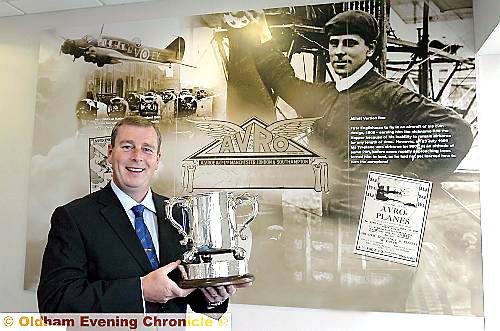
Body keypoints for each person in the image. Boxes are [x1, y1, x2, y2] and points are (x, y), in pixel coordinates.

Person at [247, 10, 473, 218]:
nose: (339, 52)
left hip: (376, 222)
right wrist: (261, 31)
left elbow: (457, 130)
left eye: (350, 43)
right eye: (334, 44)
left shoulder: (390, 95)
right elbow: (284, 81)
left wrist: (407, 185)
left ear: (370, 49)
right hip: (333, 220)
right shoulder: (323, 97)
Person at [38, 116, 249, 313]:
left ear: (157, 159)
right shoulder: (73, 218)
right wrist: (140, 290)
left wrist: (214, 297)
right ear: (110, 153)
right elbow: (54, 301)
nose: (137, 156)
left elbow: (188, 290)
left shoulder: (180, 213)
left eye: (147, 149)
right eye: (127, 147)